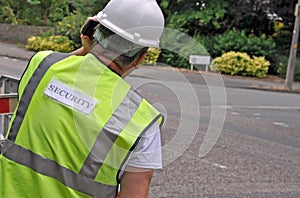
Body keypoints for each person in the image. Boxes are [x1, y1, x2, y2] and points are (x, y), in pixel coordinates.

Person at [0, 0, 165, 197]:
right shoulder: (142, 120)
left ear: (93, 31)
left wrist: (87, 50)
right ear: (140, 58)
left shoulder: (43, 65)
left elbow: (62, 65)